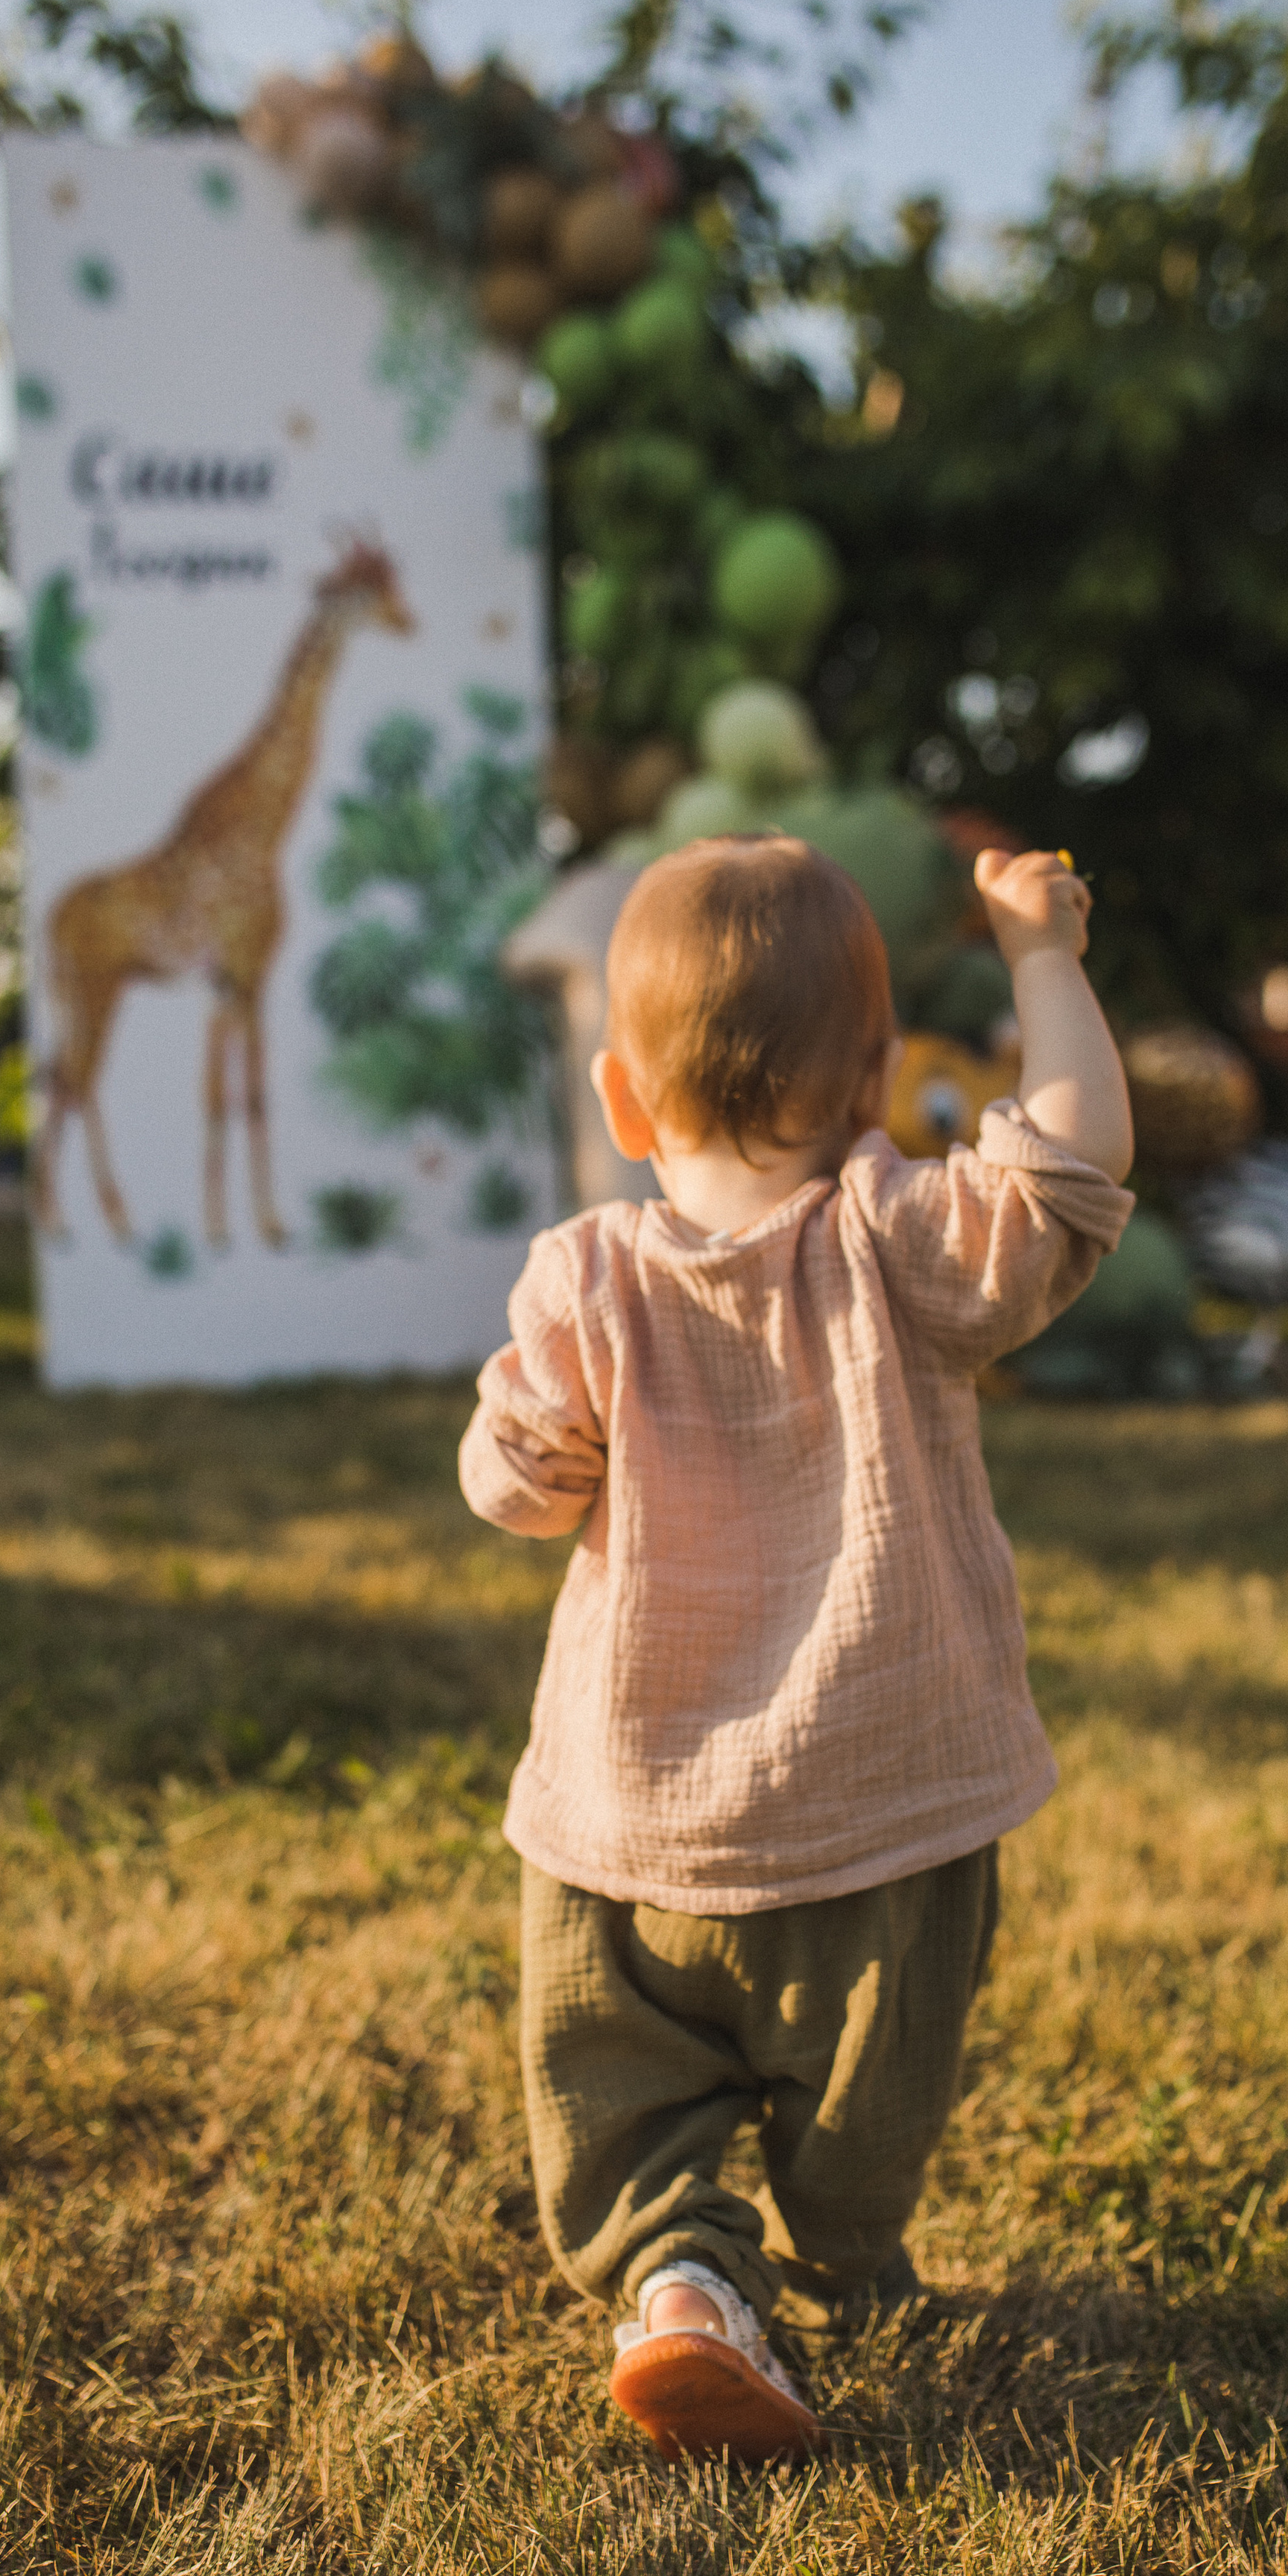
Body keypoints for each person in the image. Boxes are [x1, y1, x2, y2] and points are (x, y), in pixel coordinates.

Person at [458, 833, 1134, 2462]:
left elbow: (509, 1483)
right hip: (876, 1823)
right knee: (860, 2109)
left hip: (628, 1838)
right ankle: (838, 2247)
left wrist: (525, 1461)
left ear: (624, 1106)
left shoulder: (582, 1272)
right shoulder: (902, 1241)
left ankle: (681, 2279)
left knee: (623, 2097)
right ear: (877, 1085)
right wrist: (1040, 955)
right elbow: (1066, 1174)